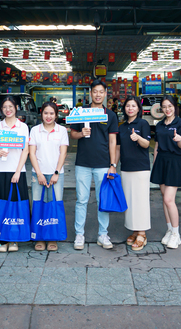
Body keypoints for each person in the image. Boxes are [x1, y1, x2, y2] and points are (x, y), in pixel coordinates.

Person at [69, 78, 119, 250]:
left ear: (105, 94)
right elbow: (73, 134)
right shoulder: (80, 112)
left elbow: (112, 141)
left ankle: (103, 234)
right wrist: (81, 134)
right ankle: (79, 234)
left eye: (101, 92)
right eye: (95, 91)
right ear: (90, 93)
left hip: (103, 164)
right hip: (83, 163)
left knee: (102, 200)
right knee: (81, 200)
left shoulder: (110, 115)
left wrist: (113, 164)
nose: (98, 94)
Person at [0, 96, 31, 253]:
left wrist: (18, 171)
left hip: (17, 171)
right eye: (5, 107)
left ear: (16, 107)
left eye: (11, 106)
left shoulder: (22, 127)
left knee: (15, 205)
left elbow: (25, 150)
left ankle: (14, 238)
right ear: (2, 109)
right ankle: (2, 239)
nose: (8, 110)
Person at [29, 101, 69, 251]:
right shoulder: (35, 130)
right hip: (38, 174)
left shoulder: (62, 130)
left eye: (52, 113)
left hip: (56, 175)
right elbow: (32, 153)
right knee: (38, 204)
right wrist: (39, 174)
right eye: (46, 113)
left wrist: (56, 173)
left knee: (55, 205)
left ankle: (53, 237)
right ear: (41, 114)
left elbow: (63, 153)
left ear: (56, 115)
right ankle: (39, 237)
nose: (48, 116)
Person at [150, 95, 181, 250]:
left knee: (169, 199)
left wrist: (179, 139)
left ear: (175, 107)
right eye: (164, 107)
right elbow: (157, 146)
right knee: (164, 199)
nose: (167, 109)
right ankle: (169, 230)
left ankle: (176, 234)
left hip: (174, 162)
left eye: (170, 106)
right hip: (161, 161)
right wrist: (155, 163)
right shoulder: (159, 125)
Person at [116, 95, 151, 251]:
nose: (130, 108)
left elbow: (147, 144)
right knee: (130, 200)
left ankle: (142, 233)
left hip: (141, 168)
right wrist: (113, 165)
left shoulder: (143, 123)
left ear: (138, 109)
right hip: (126, 167)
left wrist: (138, 138)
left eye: (133, 106)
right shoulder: (122, 127)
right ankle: (135, 230)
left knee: (140, 200)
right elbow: (118, 148)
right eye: (128, 106)